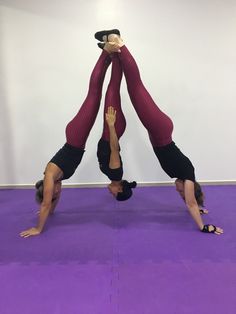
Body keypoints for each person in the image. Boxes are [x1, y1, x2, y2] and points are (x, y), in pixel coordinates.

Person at [94, 30, 223, 235]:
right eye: (181, 193)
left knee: (134, 88)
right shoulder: (188, 177)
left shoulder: (184, 175)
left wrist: (198, 205)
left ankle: (115, 53)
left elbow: (192, 202)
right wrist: (203, 226)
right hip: (161, 129)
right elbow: (190, 203)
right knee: (135, 88)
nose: (178, 191)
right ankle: (118, 42)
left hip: (158, 130)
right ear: (190, 188)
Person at [20, 43, 116, 238]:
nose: (58, 191)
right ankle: (110, 58)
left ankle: (106, 52)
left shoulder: (49, 176)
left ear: (47, 189)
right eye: (56, 193)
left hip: (75, 136)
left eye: (53, 192)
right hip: (78, 138)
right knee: (96, 96)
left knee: (94, 94)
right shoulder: (57, 181)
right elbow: (50, 204)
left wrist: (38, 228)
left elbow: (47, 202)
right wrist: (49, 211)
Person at [97, 52, 137, 201]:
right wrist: (112, 125)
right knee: (112, 88)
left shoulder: (113, 175)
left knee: (112, 88)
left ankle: (115, 55)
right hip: (113, 127)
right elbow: (114, 148)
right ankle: (116, 53)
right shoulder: (115, 174)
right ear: (119, 188)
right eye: (114, 194)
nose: (110, 192)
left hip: (111, 129)